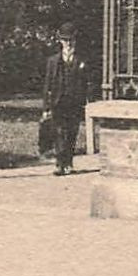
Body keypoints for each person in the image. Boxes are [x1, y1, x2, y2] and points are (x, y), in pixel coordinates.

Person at [41, 22, 91, 176]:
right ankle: (59, 163)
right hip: (58, 101)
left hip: (75, 102)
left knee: (71, 132)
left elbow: (87, 82)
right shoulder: (53, 61)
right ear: (60, 41)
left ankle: (68, 162)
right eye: (65, 40)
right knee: (58, 132)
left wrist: (87, 101)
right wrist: (46, 107)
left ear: (75, 41)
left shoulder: (82, 60)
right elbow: (47, 85)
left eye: (71, 40)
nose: (68, 43)